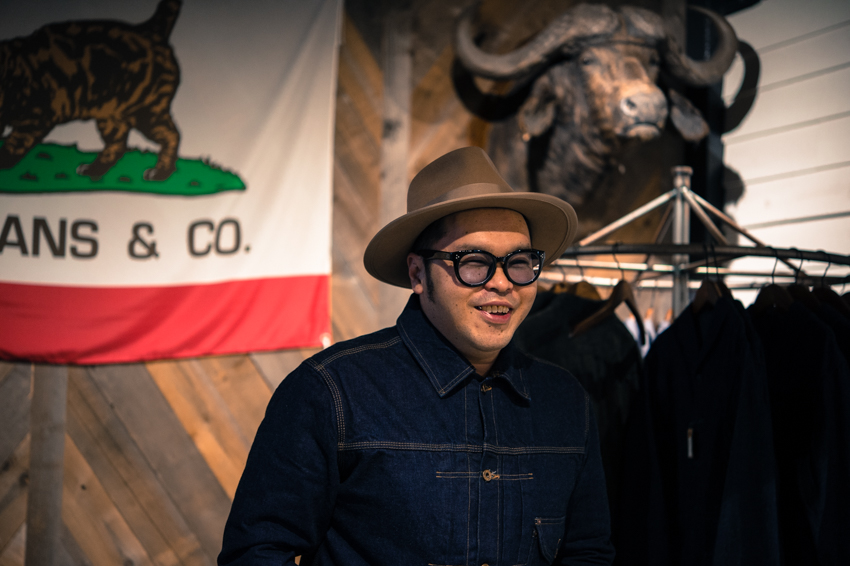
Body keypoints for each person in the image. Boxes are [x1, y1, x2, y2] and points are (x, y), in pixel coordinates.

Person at [218, 147, 615, 565]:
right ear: (417, 274)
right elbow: (257, 552)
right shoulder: (332, 391)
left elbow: (587, 552)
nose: (502, 283)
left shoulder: (565, 401)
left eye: (519, 262)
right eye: (474, 262)